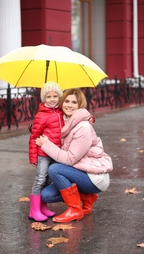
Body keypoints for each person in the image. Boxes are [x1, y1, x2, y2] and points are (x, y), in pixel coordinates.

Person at [36, 88, 113, 223]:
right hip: (80, 171)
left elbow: (70, 159)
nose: (69, 105)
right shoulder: (65, 122)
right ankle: (86, 196)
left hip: (94, 177)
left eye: (74, 102)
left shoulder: (83, 127)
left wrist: (46, 145)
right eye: (66, 101)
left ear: (80, 106)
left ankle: (75, 209)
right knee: (46, 195)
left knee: (55, 169)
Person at [28, 81, 63, 221]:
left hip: (56, 152)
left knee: (49, 180)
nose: (52, 99)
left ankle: (43, 207)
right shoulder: (41, 115)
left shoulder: (61, 112)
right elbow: (34, 137)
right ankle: (34, 210)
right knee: (40, 179)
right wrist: (33, 156)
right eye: (49, 96)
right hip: (43, 154)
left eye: (55, 96)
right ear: (44, 98)